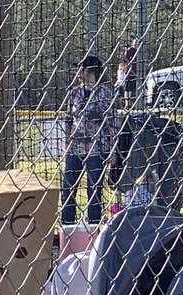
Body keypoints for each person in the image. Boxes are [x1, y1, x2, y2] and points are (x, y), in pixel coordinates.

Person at [61, 54, 118, 226]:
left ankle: (93, 225)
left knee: (94, 190)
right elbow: (69, 118)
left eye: (82, 69)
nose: (78, 72)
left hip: (97, 149)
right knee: (68, 188)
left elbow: (113, 124)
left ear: (91, 71)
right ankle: (68, 225)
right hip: (76, 148)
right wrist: (67, 142)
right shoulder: (74, 93)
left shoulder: (105, 93)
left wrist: (113, 150)